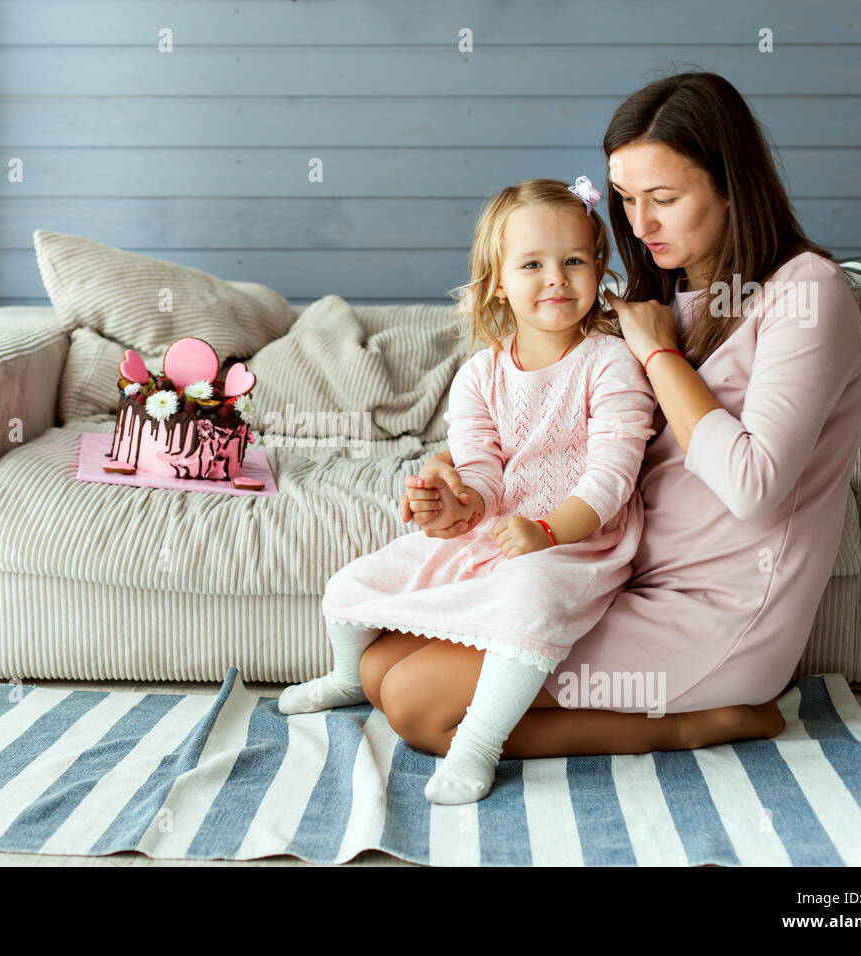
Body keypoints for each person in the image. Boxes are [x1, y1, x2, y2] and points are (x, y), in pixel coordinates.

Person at [378, 71, 861, 770]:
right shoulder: (660, 294)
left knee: (417, 704)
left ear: (733, 184)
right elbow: (557, 434)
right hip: (615, 582)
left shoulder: (806, 294)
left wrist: (660, 352)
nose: (640, 225)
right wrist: (457, 480)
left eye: (664, 199)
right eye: (626, 199)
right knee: (379, 662)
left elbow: (755, 484)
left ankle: (698, 722)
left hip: (713, 615)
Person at [279, 175, 659, 806]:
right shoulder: (481, 373)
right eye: (532, 263)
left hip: (575, 543)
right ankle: (348, 676)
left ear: (598, 268)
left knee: (529, 605)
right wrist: (458, 506)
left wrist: (549, 530)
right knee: (353, 583)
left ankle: (478, 743)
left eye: (573, 261)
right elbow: (479, 467)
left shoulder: (609, 362)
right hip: (495, 533)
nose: (556, 278)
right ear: (497, 283)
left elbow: (612, 474)